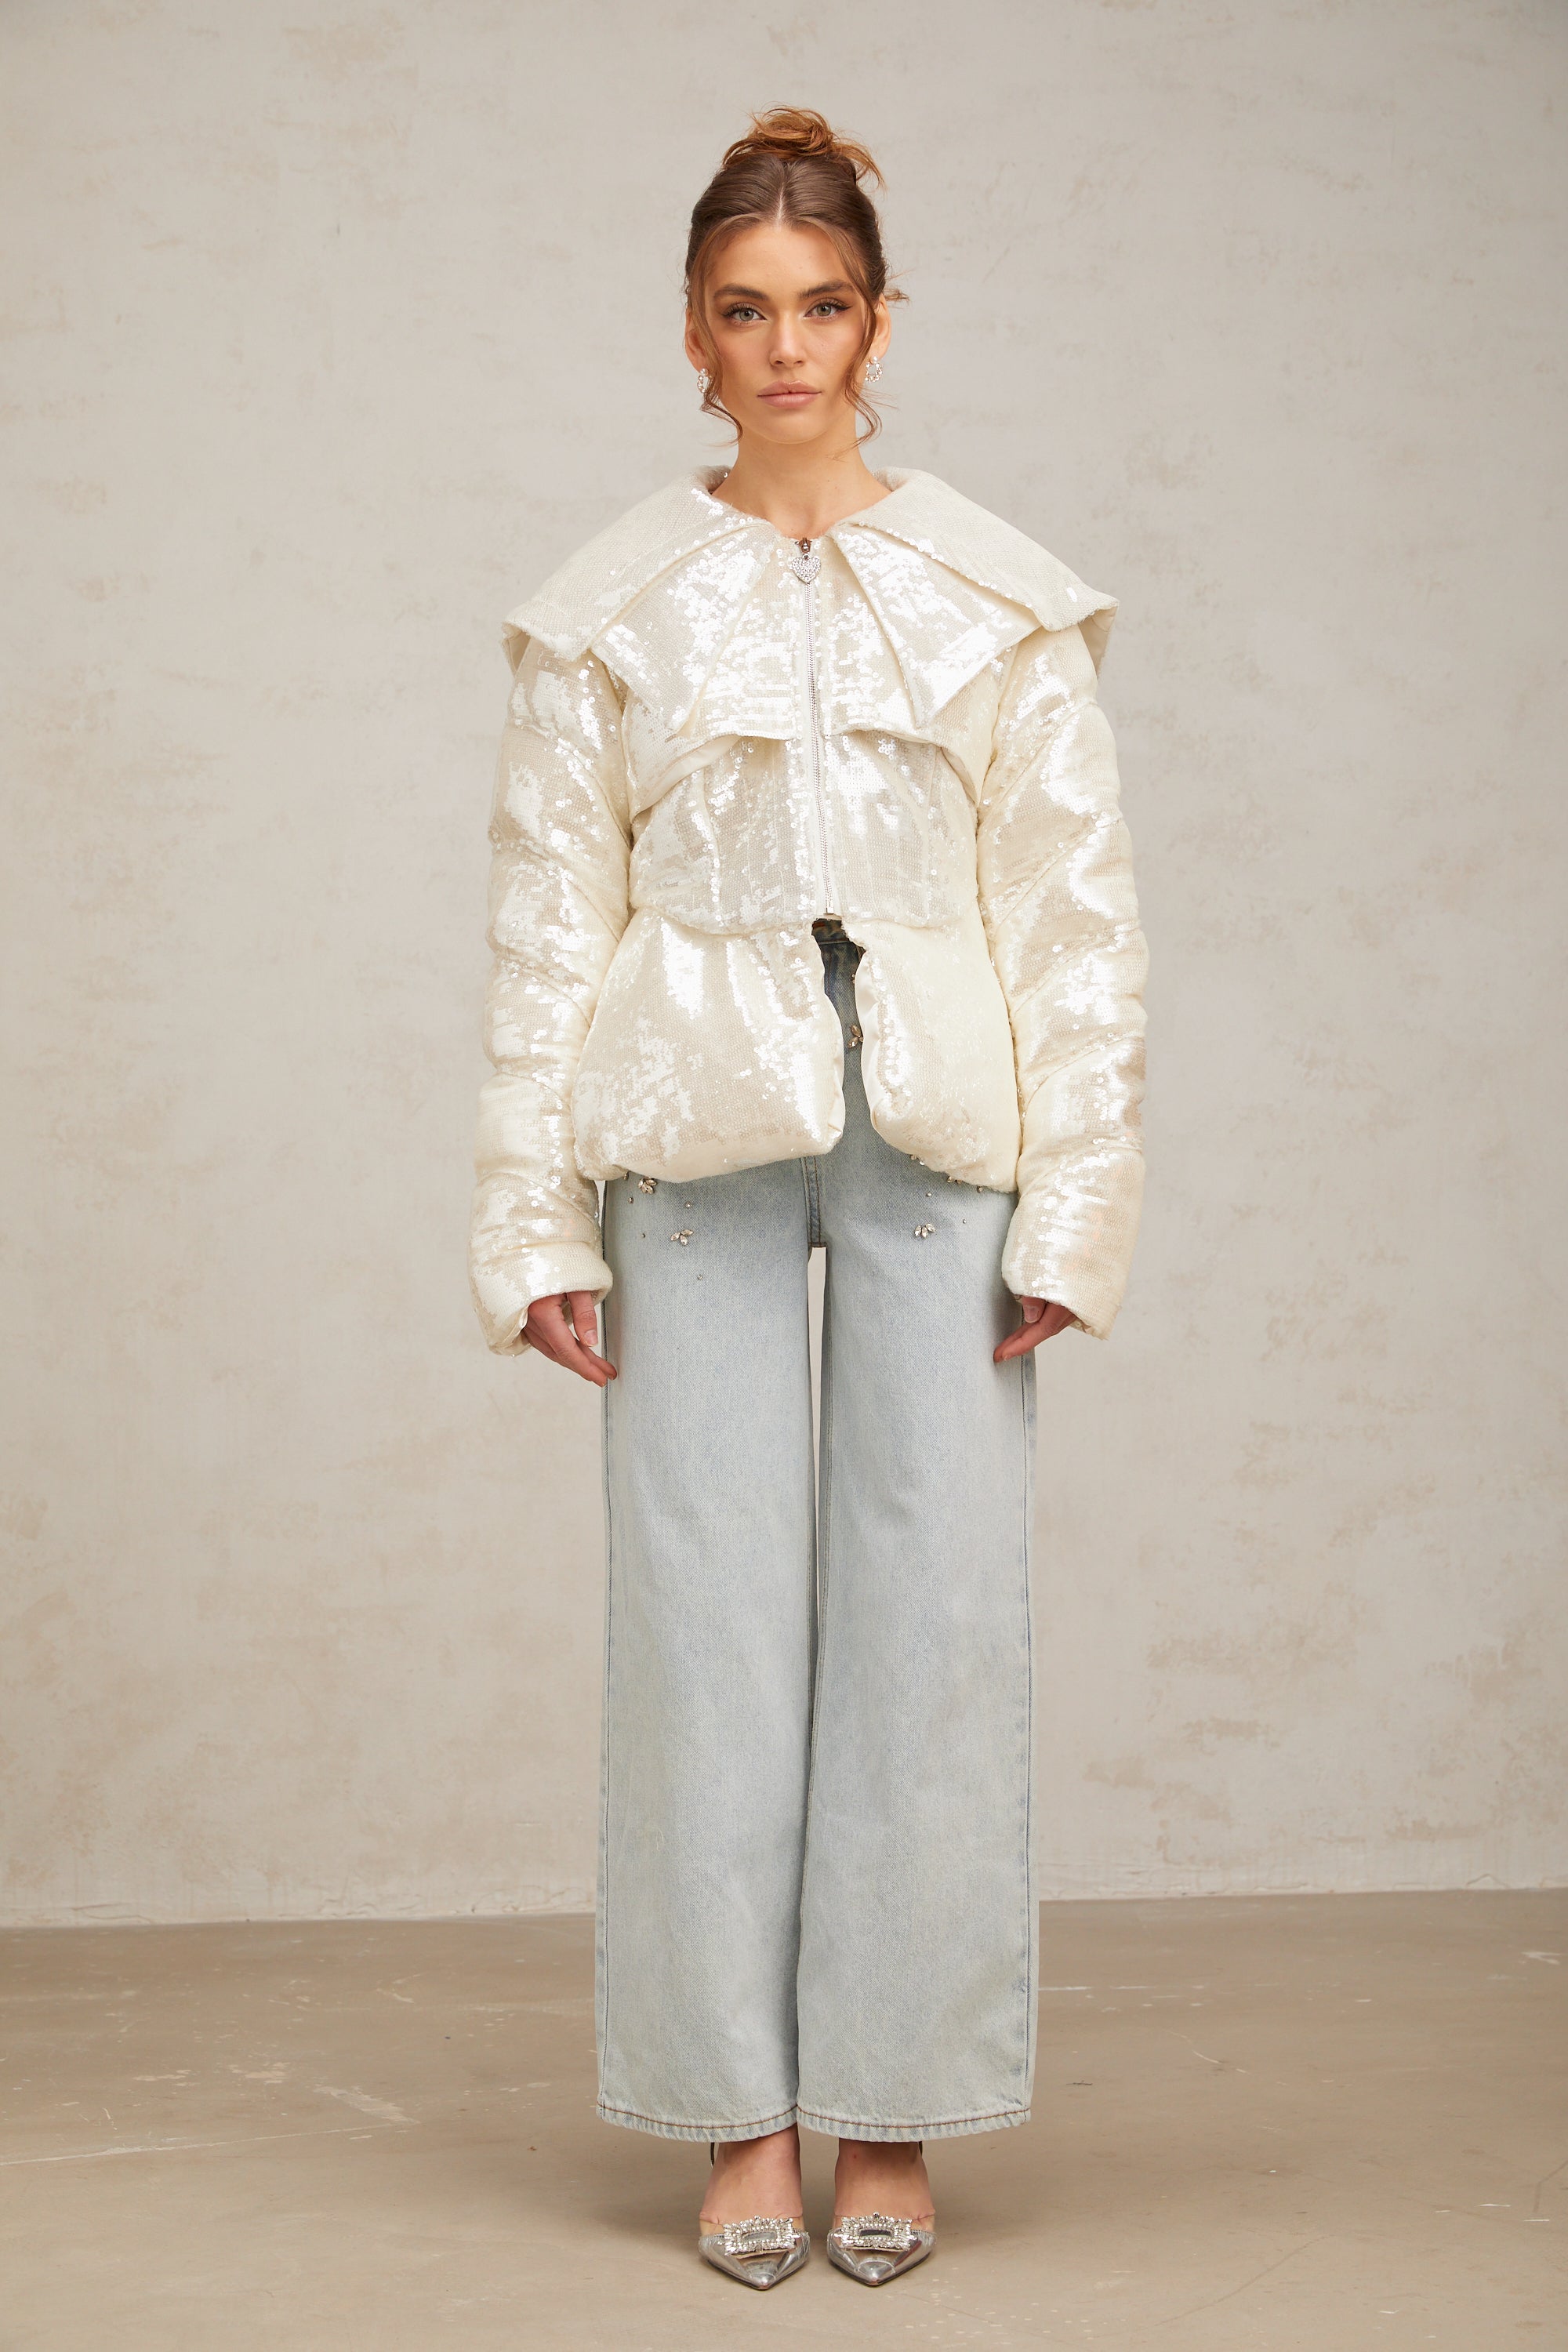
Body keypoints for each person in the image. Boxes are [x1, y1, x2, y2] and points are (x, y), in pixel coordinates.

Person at [469, 105, 1148, 2291]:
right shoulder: (611, 614)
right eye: (745, 310)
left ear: (879, 323)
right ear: (693, 334)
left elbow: (1075, 922)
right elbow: (548, 929)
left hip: (944, 1130)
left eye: (824, 306)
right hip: (686, 1124)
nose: (787, 347)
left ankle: (895, 2101)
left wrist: (1078, 1204)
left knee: (940, 1612)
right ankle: (737, 2110)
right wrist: (533, 1219)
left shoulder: (998, 600)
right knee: (705, 1617)